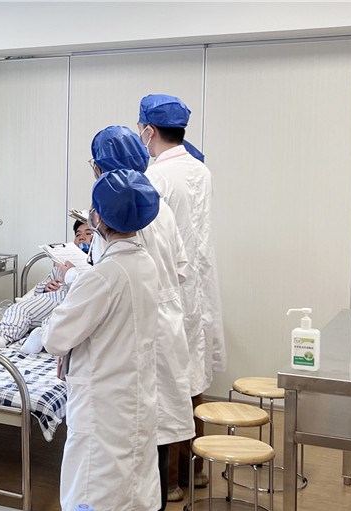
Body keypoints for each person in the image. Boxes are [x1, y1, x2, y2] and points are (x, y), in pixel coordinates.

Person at [42, 169, 162, 511]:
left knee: (96, 498)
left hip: (103, 406)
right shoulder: (145, 264)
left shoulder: (103, 276)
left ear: (99, 219)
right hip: (133, 398)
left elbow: (54, 338)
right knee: (133, 496)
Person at [91, 125, 195, 511]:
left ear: (103, 167)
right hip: (164, 323)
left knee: (137, 433)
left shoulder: (117, 209)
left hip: (135, 332)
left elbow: (104, 279)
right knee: (156, 429)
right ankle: (153, 510)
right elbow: (181, 269)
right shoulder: (158, 207)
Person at [137, 94, 226, 490]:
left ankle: (169, 481)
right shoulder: (200, 170)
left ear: (149, 130)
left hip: (168, 288)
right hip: (198, 291)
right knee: (193, 381)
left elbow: (149, 238)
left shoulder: (155, 177)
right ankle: (196, 471)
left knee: (167, 384)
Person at [0, 220, 93, 351]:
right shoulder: (63, 263)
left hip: (73, 302)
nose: (81, 237)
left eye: (88, 233)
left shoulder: (98, 266)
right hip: (51, 299)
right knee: (18, 309)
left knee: (57, 318)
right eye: (78, 234)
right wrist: (46, 287)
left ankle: (41, 338)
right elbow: (40, 287)